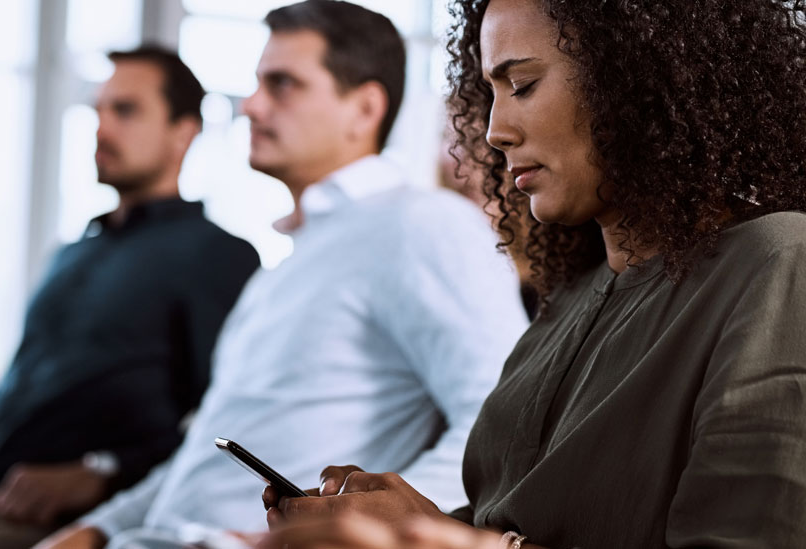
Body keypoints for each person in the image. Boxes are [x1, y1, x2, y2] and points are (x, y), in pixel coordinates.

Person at [258, 0, 806, 547]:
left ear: (639, 78)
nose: (495, 131)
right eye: (490, 94)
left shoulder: (779, 262)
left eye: (520, 84)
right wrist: (410, 523)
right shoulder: (571, 300)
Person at [37, 2, 528, 548]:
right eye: (255, 84)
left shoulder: (422, 224)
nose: (250, 105)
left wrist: (355, 529)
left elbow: (500, 427)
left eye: (282, 84)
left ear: (364, 109)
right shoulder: (287, 266)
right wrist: (96, 528)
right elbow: (201, 457)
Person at [0, 44, 260, 549]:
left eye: (125, 110)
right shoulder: (74, 254)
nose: (101, 128)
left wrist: (101, 470)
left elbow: (222, 425)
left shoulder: (216, 256)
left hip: (39, 530)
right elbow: (10, 414)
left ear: (183, 132)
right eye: (97, 110)